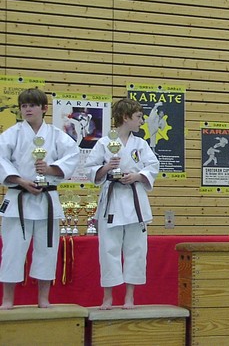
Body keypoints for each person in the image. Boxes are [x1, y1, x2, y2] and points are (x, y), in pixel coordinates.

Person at [0, 88, 79, 309]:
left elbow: (72, 156)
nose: (28, 109)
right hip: (19, 198)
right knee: (12, 250)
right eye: (24, 106)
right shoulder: (12, 134)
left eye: (32, 105)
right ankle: (7, 299)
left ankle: (43, 298)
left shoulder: (56, 135)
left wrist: (50, 169)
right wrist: (21, 180)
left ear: (44, 108)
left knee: (47, 250)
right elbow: (0, 159)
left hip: (46, 200)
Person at [84, 98, 159, 309]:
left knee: (136, 249)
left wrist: (137, 175)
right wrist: (107, 167)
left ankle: (129, 297)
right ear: (126, 117)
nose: (141, 121)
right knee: (108, 249)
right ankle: (107, 297)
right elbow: (90, 169)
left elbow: (153, 166)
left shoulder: (141, 144)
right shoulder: (104, 143)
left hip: (135, 200)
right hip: (112, 200)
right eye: (138, 117)